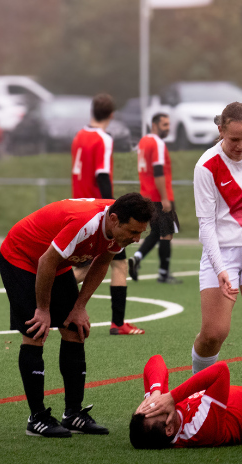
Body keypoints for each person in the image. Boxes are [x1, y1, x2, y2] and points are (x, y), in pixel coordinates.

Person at [0, 193, 155, 438]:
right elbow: (46, 261)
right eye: (133, 232)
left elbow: (101, 264)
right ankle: (37, 418)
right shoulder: (85, 223)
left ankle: (73, 414)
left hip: (55, 262)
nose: (136, 239)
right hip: (21, 256)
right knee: (36, 332)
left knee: (75, 330)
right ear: (114, 220)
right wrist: (43, 309)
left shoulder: (116, 227)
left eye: (140, 233)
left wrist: (79, 307)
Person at [191, 102, 242, 386]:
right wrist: (220, 267)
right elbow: (206, 225)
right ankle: (197, 395)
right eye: (234, 139)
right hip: (221, 253)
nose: (240, 146)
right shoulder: (206, 166)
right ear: (220, 130)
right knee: (214, 333)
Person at [70, 93, 144, 336]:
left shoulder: (79, 135)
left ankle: (51, 292)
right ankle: (118, 323)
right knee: (116, 265)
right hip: (98, 210)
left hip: (78, 207)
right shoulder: (103, 138)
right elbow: (102, 175)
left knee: (95, 263)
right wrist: (113, 210)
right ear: (111, 115)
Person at [129, 113, 181, 284]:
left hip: (147, 195)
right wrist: (165, 198)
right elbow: (158, 171)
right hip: (159, 195)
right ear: (154, 125)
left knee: (156, 232)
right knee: (166, 234)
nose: (168, 128)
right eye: (165, 124)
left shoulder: (143, 141)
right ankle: (163, 273)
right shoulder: (157, 143)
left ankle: (137, 257)